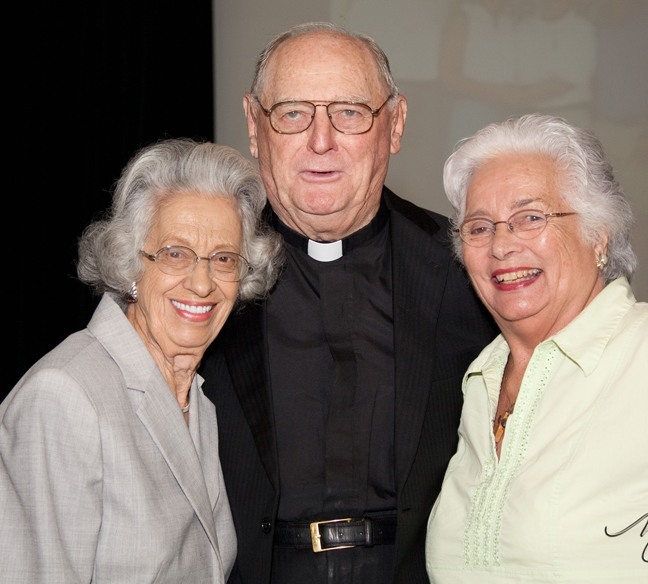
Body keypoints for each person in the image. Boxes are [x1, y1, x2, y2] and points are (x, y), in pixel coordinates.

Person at [199, 22, 498, 584]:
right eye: (291, 112)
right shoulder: (204, 276)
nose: (321, 140)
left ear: (395, 124)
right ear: (253, 125)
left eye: (350, 113)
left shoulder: (468, 271)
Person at [0, 138, 284, 583]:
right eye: (175, 254)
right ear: (131, 263)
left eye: (224, 258)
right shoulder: (63, 396)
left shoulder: (199, 399)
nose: (202, 282)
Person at [425, 113, 647, 583]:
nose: (501, 246)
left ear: (598, 233)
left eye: (531, 218)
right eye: (480, 227)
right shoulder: (479, 381)